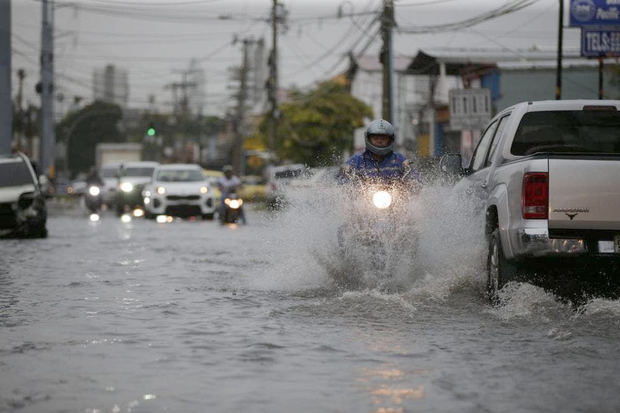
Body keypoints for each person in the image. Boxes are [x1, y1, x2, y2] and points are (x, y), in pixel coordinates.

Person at [339, 119, 422, 187]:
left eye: (383, 138)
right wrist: (345, 175)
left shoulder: (399, 159)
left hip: (395, 202)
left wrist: (414, 181)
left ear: (390, 140)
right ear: (368, 138)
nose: (379, 140)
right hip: (364, 202)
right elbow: (341, 179)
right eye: (375, 137)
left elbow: (413, 175)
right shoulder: (357, 160)